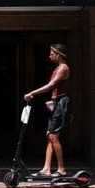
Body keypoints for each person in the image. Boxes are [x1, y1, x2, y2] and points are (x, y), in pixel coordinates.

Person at [24, 43, 71, 177]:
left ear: (58, 54)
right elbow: (55, 89)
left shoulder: (63, 68)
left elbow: (51, 85)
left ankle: (61, 169)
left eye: (52, 53)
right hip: (57, 103)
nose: (49, 55)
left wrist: (32, 92)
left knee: (53, 135)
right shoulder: (57, 68)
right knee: (49, 136)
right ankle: (46, 168)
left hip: (61, 103)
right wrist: (53, 101)